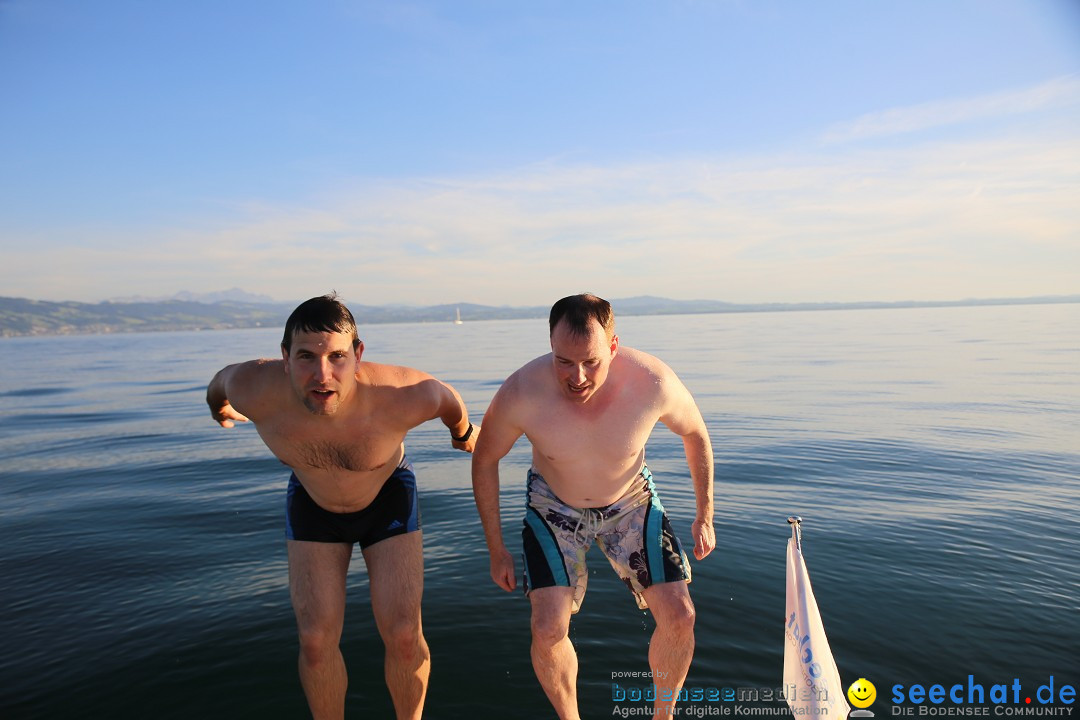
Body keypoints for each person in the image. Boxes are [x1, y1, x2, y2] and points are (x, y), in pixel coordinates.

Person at [206, 293, 478, 720]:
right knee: (314, 641)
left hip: (386, 496)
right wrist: (220, 410)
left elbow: (446, 399)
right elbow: (218, 385)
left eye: (337, 357)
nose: (322, 374)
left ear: (358, 354)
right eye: (305, 357)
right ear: (284, 357)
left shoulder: (400, 394)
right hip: (314, 504)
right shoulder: (252, 388)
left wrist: (462, 434)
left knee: (405, 634)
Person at [472, 293, 715, 719]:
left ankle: (663, 716)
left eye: (591, 362)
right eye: (563, 361)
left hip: (630, 500)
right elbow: (485, 457)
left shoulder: (651, 382)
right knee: (548, 627)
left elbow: (695, 433)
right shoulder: (522, 391)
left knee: (680, 615)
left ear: (614, 347)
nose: (577, 376)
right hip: (554, 506)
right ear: (550, 346)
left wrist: (704, 513)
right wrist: (496, 548)